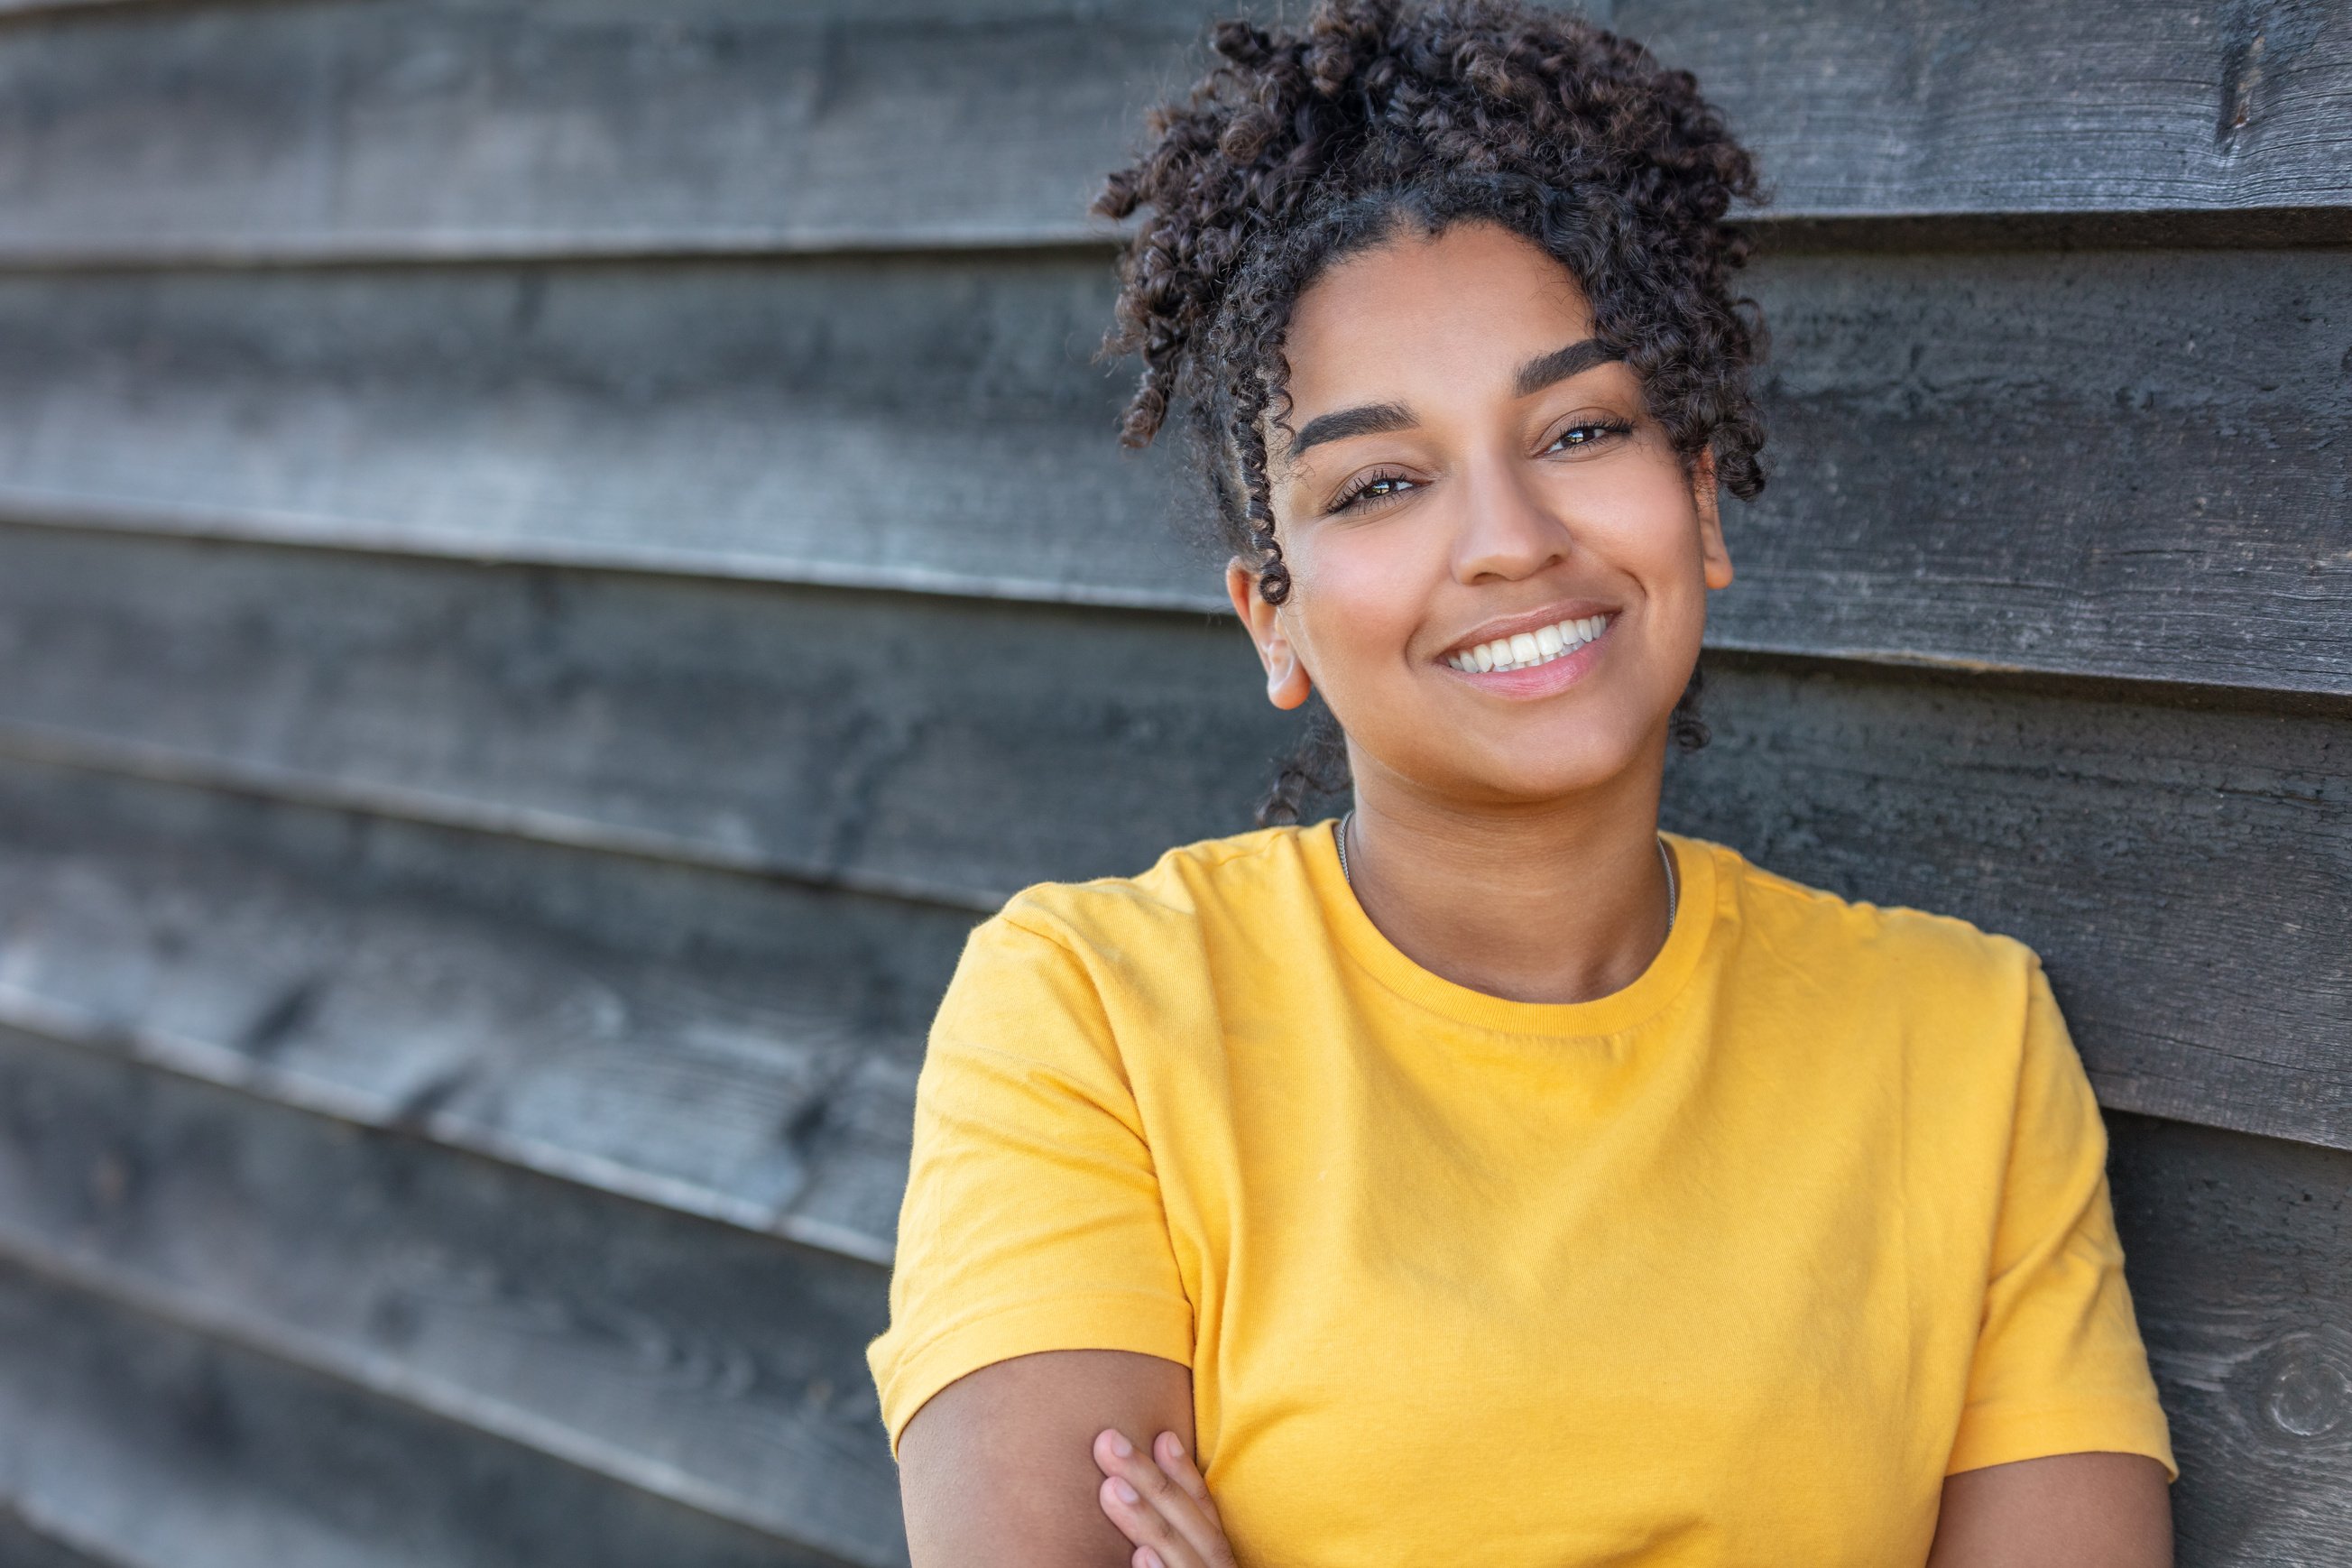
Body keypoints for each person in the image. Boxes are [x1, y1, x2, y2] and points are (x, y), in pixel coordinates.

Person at [865, 2, 2177, 1563]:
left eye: (1581, 427)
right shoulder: (1094, 1019)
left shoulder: (1965, 1043)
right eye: (1384, 481)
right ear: (1270, 613)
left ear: (1695, 500)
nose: (1509, 536)